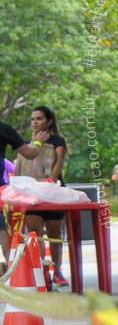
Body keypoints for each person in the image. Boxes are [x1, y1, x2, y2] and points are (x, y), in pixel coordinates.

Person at [16, 106, 69, 287]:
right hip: (32, 195)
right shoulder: (25, 144)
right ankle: (40, 271)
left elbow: (58, 164)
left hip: (53, 193)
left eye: (39, 118)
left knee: (55, 234)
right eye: (32, 119)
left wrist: (50, 182)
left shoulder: (58, 141)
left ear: (49, 121)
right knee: (34, 233)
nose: (35, 122)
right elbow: (19, 170)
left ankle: (57, 270)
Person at [0, 120, 40, 262]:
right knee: (6, 231)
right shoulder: (3, 129)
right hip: (0, 192)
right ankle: (12, 270)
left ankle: (11, 269)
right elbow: (30, 153)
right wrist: (38, 143)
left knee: (6, 229)